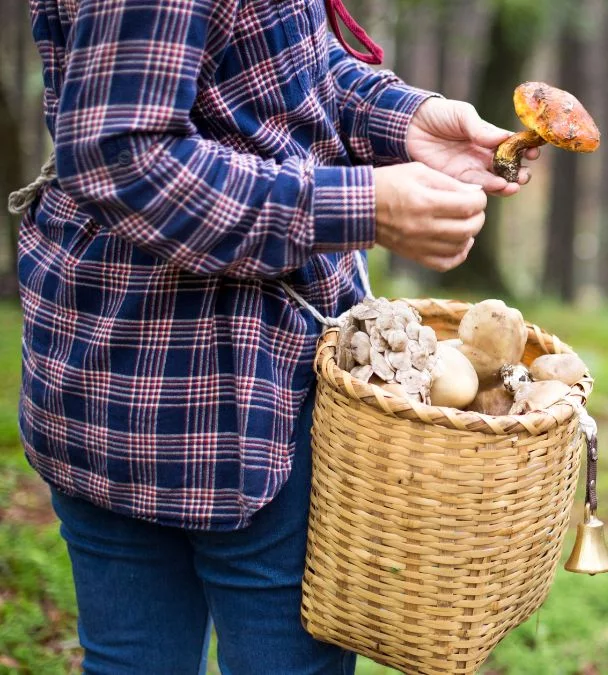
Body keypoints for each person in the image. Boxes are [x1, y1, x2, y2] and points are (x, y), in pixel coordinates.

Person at [14, 0, 537, 672]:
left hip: (121, 375)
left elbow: (273, 68)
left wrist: (404, 119)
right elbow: (124, 157)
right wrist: (358, 204)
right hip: (234, 396)